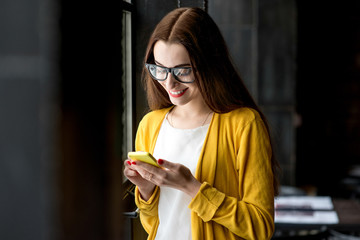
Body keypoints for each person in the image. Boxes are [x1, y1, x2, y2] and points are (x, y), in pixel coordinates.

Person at [123, 7, 279, 240]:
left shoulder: (244, 124)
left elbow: (260, 228)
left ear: (210, 64)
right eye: (160, 69)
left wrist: (191, 187)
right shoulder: (150, 124)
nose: (170, 83)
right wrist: (146, 190)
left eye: (182, 70)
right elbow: (153, 224)